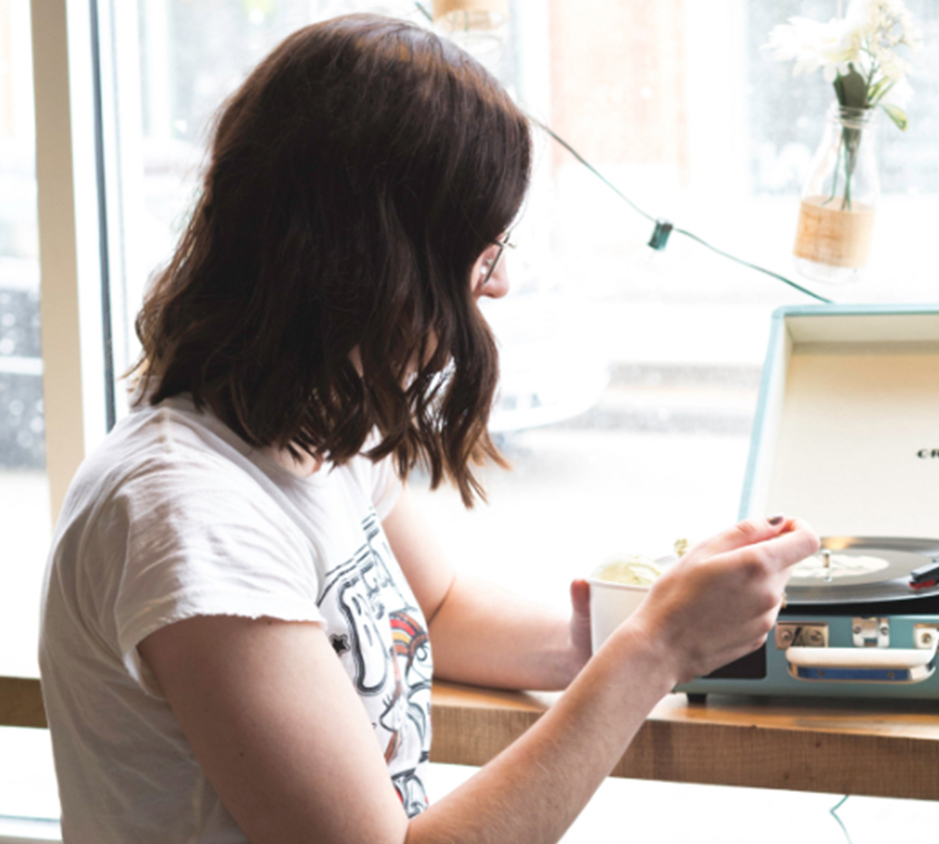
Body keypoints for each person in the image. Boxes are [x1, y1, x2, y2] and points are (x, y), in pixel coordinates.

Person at [38, 14, 818, 844]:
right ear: (371, 255)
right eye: (480, 252)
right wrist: (654, 651)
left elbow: (436, 609)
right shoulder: (189, 517)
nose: (502, 283)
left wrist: (649, 621)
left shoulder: (316, 436)